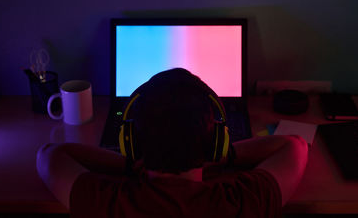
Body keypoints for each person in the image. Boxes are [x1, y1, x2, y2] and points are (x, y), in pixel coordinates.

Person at [37, 68, 308, 217]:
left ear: (132, 143)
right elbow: (295, 145)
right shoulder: (244, 202)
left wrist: (131, 163)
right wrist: (223, 156)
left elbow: (50, 154)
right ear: (215, 142)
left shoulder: (107, 203)